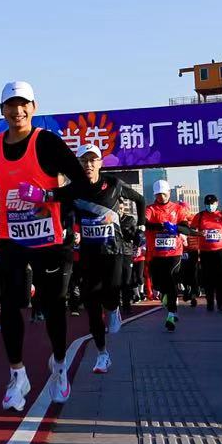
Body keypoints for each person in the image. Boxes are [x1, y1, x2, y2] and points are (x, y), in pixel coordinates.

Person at [0, 83, 92, 413]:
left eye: (23, 104)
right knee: (10, 304)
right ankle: (18, 374)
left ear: (34, 107)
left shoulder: (47, 142)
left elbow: (82, 184)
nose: (17, 111)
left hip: (48, 238)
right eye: (11, 105)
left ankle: (59, 365)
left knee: (53, 304)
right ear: (2, 110)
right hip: (11, 236)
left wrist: (48, 196)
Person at [58, 147, 143, 375]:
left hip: (113, 252)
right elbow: (58, 203)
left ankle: (114, 309)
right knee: (92, 305)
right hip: (89, 254)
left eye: (92, 160)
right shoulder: (74, 188)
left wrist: (142, 228)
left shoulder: (113, 184)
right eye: (84, 160)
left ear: (100, 163)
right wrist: (68, 229)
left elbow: (140, 200)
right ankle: (102, 354)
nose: (88, 164)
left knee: (111, 293)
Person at [144, 180, 194, 331]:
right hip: (156, 253)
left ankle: (171, 314)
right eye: (158, 195)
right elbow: (145, 223)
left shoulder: (178, 209)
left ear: (169, 193)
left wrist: (175, 227)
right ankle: (166, 297)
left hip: (174, 252)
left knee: (171, 279)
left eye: (164, 194)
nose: (161, 197)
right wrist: (159, 226)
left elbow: (186, 229)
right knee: (158, 283)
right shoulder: (150, 209)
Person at [191, 194, 222, 312]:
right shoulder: (200, 216)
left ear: (217, 203)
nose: (210, 206)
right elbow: (191, 229)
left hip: (221, 251)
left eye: (212, 204)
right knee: (208, 278)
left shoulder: (221, 215)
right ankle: (210, 303)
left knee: (221, 278)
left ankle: (221, 304)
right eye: (208, 204)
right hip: (206, 252)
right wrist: (198, 233)